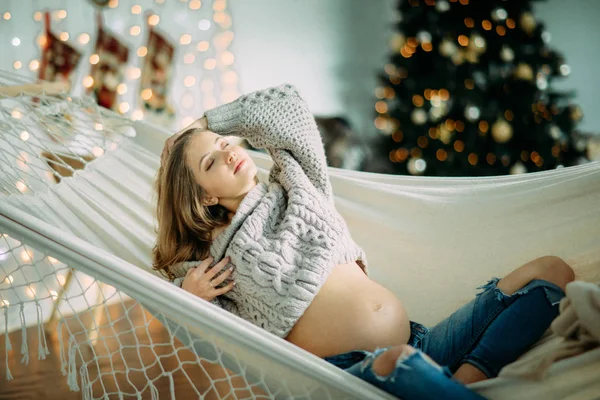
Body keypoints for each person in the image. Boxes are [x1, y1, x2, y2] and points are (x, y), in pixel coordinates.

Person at [153, 83, 575, 399]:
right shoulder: (213, 258)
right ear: (204, 195)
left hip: (420, 342)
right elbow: (194, 329)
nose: (229, 153)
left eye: (226, 144)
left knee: (551, 271)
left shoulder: (298, 183)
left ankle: (458, 385)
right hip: (353, 375)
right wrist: (188, 296)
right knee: (399, 363)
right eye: (212, 160)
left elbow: (288, 107)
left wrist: (203, 124)